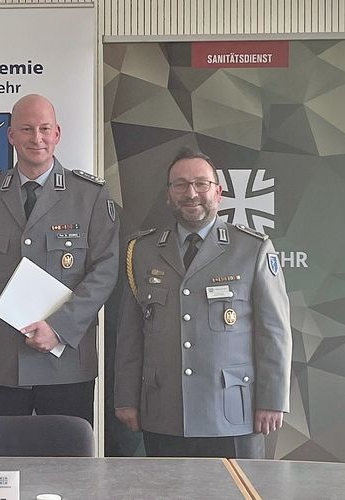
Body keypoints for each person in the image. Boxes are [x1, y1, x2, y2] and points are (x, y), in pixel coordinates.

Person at [0, 94, 119, 423]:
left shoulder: (90, 195)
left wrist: (59, 327)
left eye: (44, 129)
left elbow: (105, 272)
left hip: (66, 362)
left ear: (57, 134)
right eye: (26, 129)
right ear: (11, 136)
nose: (36, 138)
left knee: (66, 468)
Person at [114, 147, 292, 458]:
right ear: (169, 194)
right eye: (180, 185)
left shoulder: (252, 249)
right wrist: (126, 397)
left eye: (201, 184)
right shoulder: (141, 251)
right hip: (164, 413)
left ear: (218, 192)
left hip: (232, 413)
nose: (191, 193)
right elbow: (130, 334)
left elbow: (274, 333)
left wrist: (273, 400)